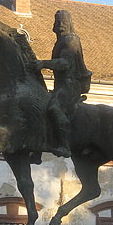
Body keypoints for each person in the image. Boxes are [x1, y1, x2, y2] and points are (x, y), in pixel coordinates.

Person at [33, 10, 92, 157]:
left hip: (71, 85)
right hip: (60, 86)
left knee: (54, 108)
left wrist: (43, 63)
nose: (61, 25)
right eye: (58, 21)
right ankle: (37, 149)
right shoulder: (60, 42)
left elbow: (65, 63)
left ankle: (65, 146)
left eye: (64, 22)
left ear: (69, 23)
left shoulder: (71, 40)